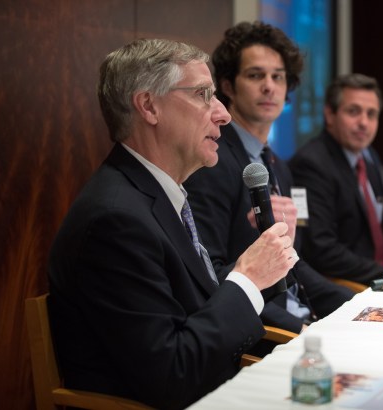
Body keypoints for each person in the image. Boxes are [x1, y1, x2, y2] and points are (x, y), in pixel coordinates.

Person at [47, 38, 298, 409]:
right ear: (149, 106)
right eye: (202, 95)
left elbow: (195, 301)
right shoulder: (114, 220)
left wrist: (260, 271)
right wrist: (246, 279)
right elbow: (171, 373)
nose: (223, 114)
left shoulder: (159, 192)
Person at [184, 21, 353, 339]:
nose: (269, 87)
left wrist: (358, 305)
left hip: (302, 319)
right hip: (262, 331)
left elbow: (292, 264)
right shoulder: (211, 161)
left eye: (278, 77)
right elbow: (213, 274)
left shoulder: (275, 164)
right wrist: (299, 330)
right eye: (255, 75)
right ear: (228, 86)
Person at [289, 73, 383, 284]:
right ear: (330, 114)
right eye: (353, 111)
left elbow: (382, 218)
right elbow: (321, 250)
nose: (364, 123)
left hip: (382, 272)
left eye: (371, 114)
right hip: (352, 282)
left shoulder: (368, 157)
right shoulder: (311, 164)